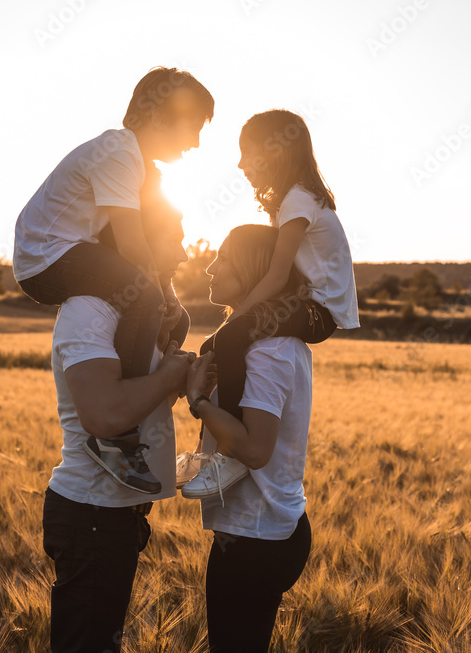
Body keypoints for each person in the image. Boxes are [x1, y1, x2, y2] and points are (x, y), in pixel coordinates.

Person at [15, 66, 214, 494]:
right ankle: (114, 439)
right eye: (193, 127)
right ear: (159, 116)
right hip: (47, 257)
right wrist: (160, 296)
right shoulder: (120, 151)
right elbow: (132, 245)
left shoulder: (138, 162)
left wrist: (170, 306)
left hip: (71, 251)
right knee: (146, 296)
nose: (196, 141)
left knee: (173, 318)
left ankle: (138, 395)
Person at [182, 109, 359, 500]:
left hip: (317, 311)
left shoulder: (298, 199)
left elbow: (277, 276)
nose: (242, 164)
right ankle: (205, 453)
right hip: (307, 304)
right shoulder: (294, 200)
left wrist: (236, 322)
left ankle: (230, 454)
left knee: (228, 340)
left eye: (248, 153)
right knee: (216, 346)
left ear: (275, 152)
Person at [41, 200, 194, 653]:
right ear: (139, 240)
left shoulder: (138, 318)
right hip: (92, 515)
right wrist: (170, 374)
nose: (185, 255)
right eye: (176, 239)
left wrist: (184, 379)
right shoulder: (90, 311)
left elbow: (140, 402)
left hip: (117, 515)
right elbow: (105, 415)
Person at [184, 224, 316, 652]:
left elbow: (256, 450)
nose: (210, 266)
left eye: (224, 258)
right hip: (264, 530)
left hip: (255, 539)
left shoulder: (268, 351)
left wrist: (198, 402)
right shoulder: (260, 346)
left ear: (255, 270)